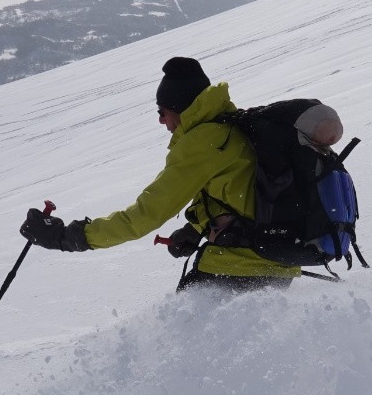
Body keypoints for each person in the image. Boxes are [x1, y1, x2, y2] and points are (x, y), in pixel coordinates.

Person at [18, 57, 300, 292]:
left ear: (178, 109)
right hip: (273, 261)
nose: (160, 120)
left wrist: (67, 237)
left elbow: (145, 216)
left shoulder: (202, 143)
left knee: (186, 334)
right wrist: (195, 230)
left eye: (162, 111)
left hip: (240, 266)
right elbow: (241, 194)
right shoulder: (231, 126)